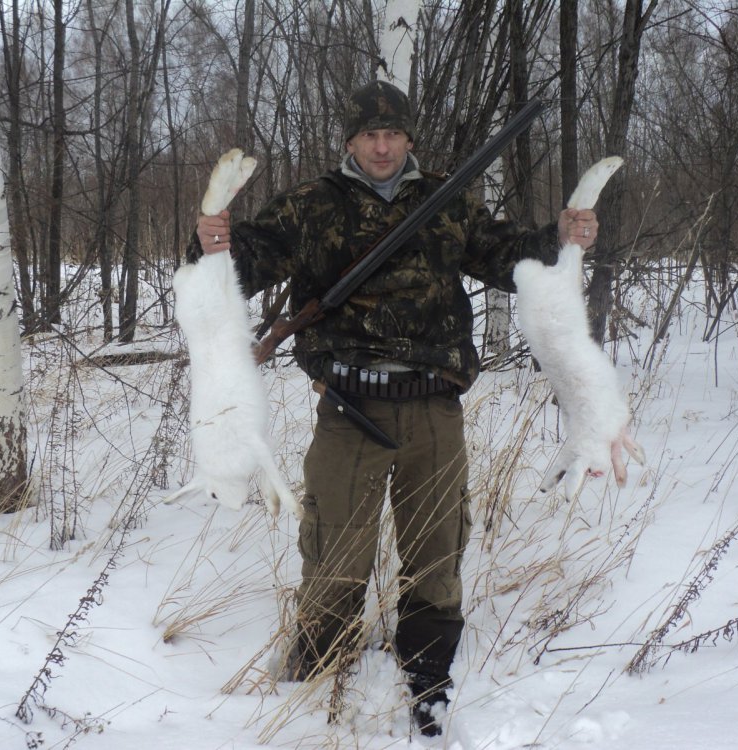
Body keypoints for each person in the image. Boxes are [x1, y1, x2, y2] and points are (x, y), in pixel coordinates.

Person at [189, 81, 598, 737]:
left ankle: (429, 667)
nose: (382, 146)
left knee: (437, 548)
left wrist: (560, 238)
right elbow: (241, 265)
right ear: (350, 140)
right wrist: (213, 242)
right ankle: (316, 666)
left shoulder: (447, 199)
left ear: (408, 138)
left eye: (393, 134)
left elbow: (504, 255)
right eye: (369, 135)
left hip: (432, 406)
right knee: (334, 550)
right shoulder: (312, 205)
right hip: (348, 406)